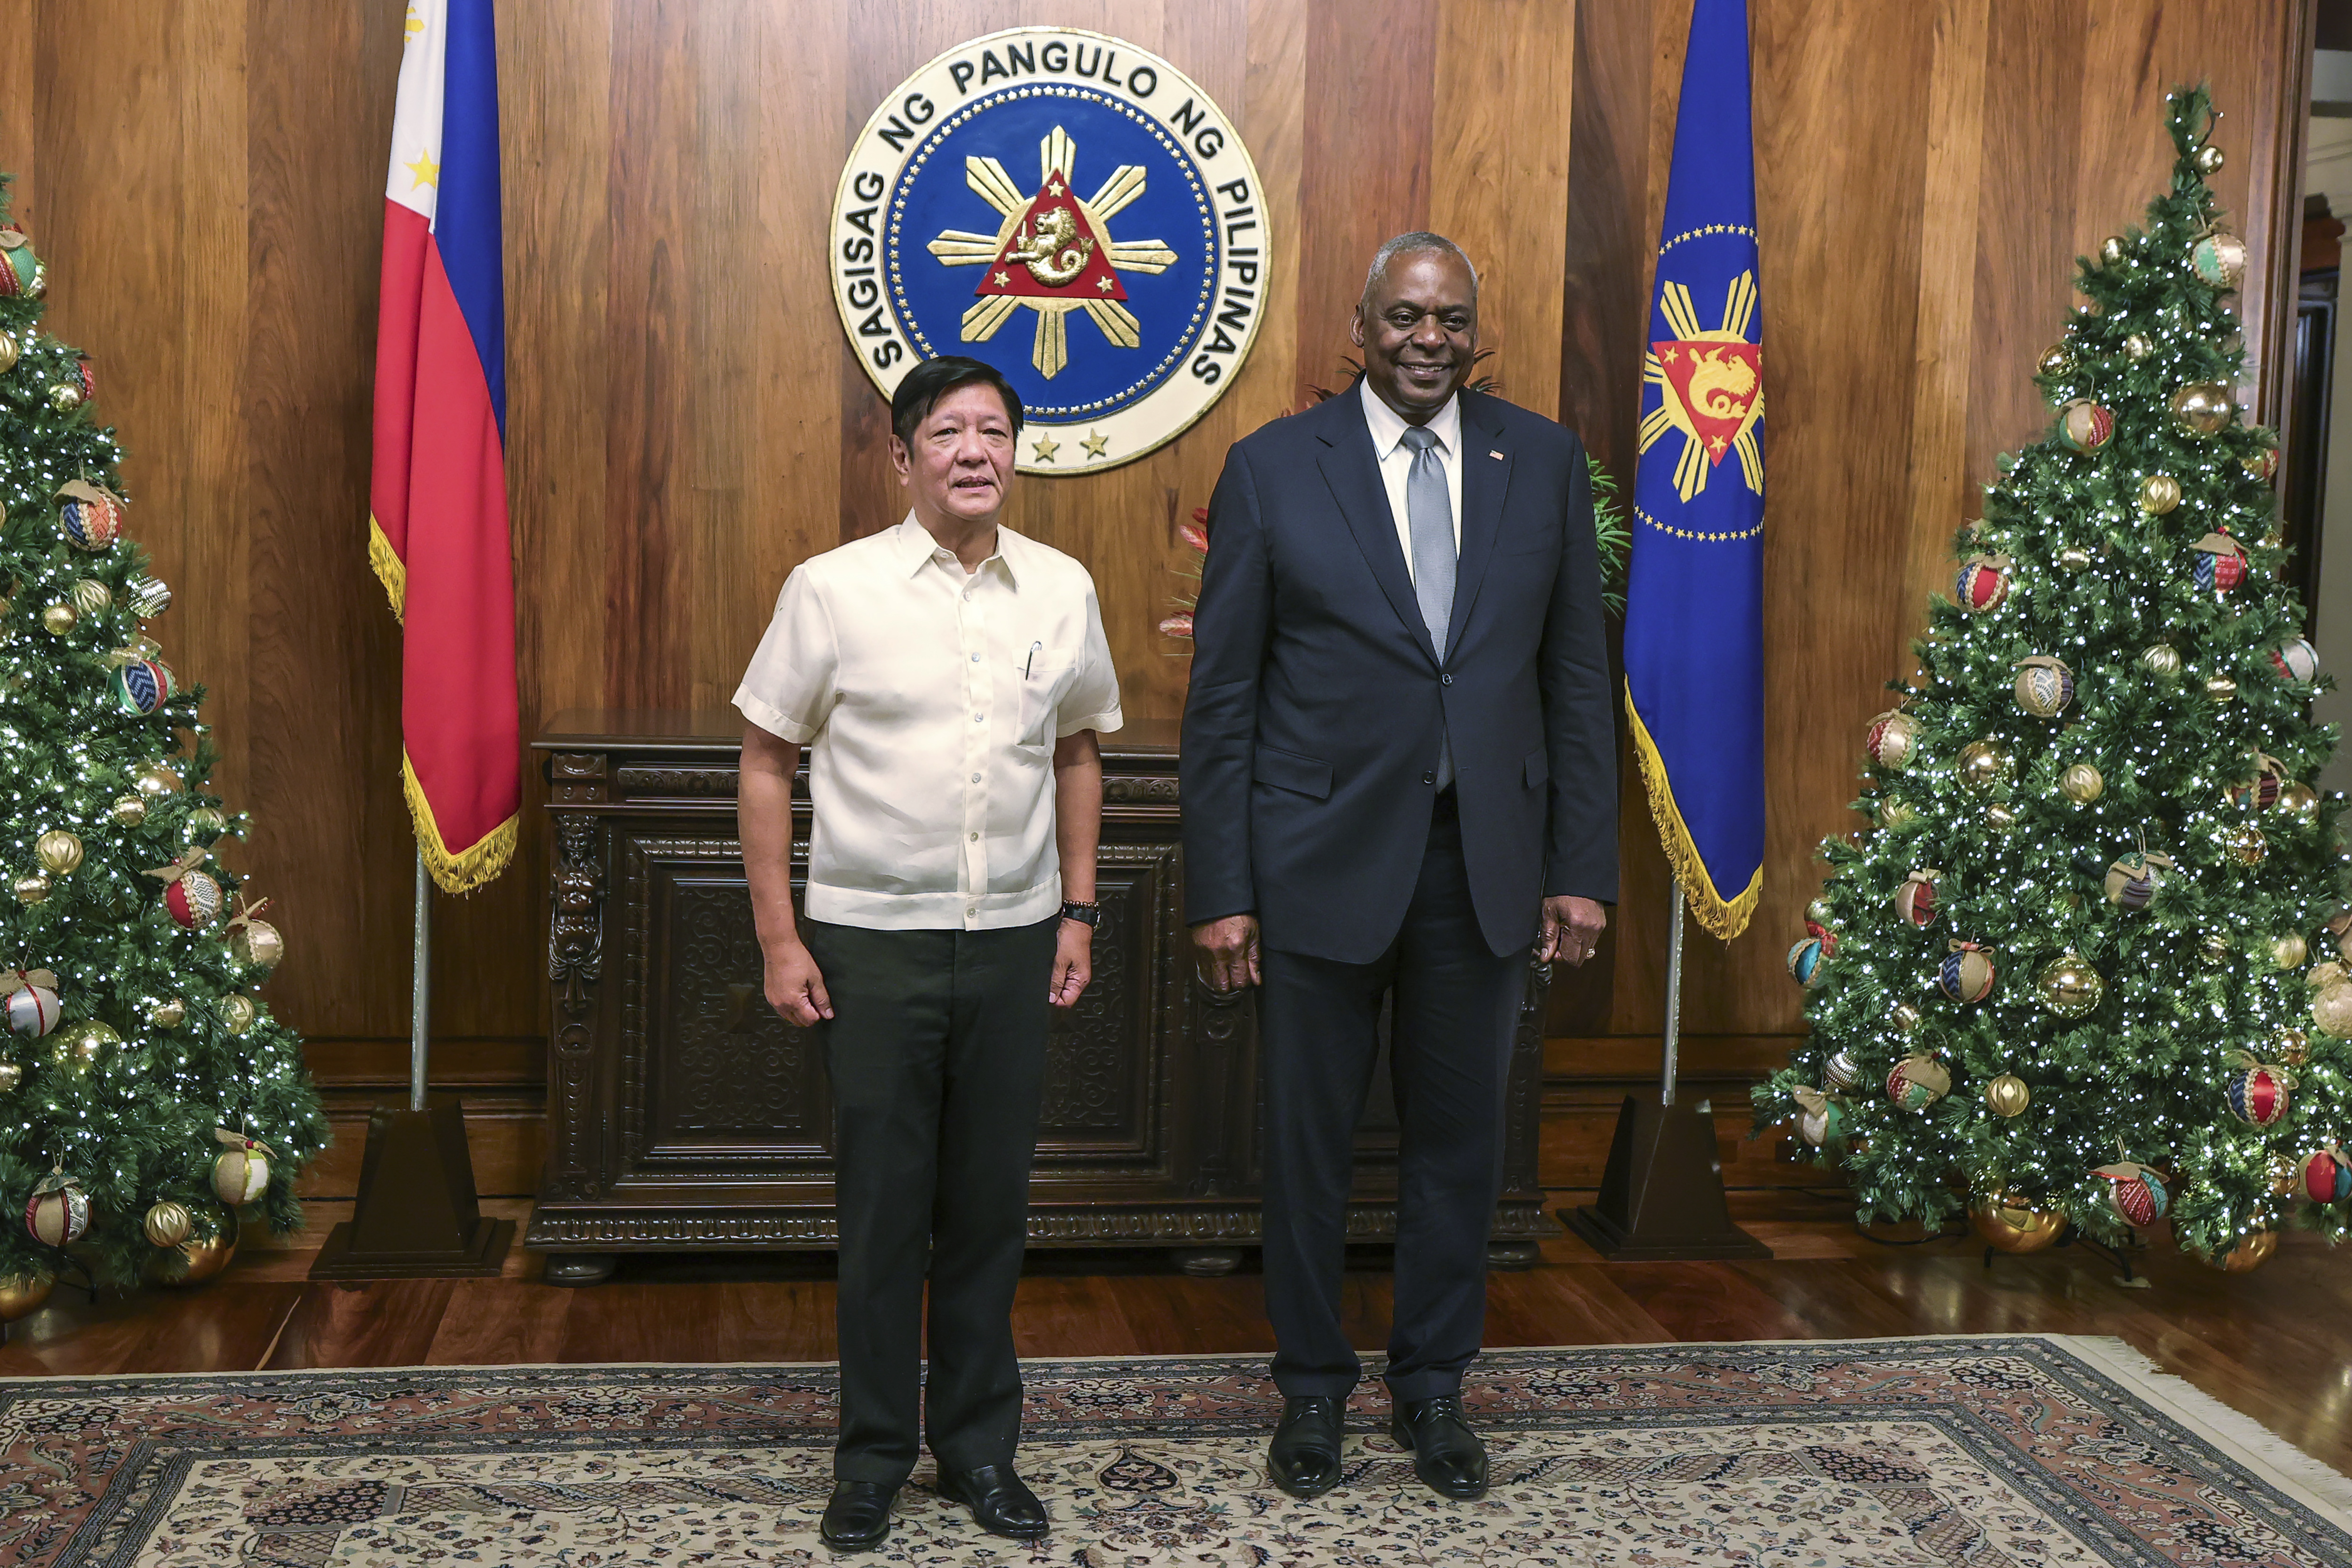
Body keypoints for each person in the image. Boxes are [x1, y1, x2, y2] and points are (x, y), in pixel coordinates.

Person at [1181, 233, 1616, 1501]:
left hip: (1480, 865)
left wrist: (1578, 865)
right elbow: (1226, 701)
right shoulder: (1274, 468)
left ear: (1477, 332)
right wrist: (1223, 886)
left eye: (1452, 318)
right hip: (1315, 862)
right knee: (1308, 1144)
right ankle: (1312, 1388)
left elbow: (1577, 681)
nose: (1430, 338)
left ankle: (1433, 1384)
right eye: (1406, 316)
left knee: (1459, 1147)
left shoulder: (1538, 462)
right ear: (1361, 326)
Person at [735, 354, 1122, 1552]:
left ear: (1016, 452)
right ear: (901, 456)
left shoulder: (1061, 589)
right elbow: (764, 759)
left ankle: (977, 1450)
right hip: (870, 947)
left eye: (994, 431)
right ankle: (869, 1458)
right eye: (947, 432)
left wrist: (1078, 910)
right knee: (884, 1215)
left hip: (1011, 943)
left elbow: (1077, 754)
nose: (973, 451)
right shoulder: (832, 588)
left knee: (991, 1212)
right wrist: (779, 935)